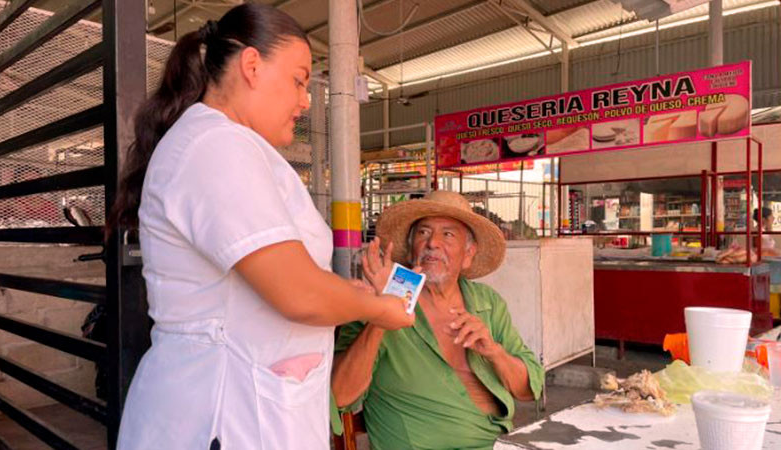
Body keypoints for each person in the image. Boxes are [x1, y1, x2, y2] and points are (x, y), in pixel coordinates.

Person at [108, 4, 413, 449]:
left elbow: (291, 279)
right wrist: (379, 308)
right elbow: (298, 292)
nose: (306, 100)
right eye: (298, 80)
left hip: (243, 409)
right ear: (252, 65)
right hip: (220, 418)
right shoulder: (217, 146)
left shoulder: (229, 145)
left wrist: (355, 296)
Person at [332, 191, 545, 450]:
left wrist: (494, 352)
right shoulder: (376, 302)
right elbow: (340, 395)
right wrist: (382, 313)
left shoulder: (487, 303)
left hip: (499, 444)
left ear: (468, 254)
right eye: (423, 232)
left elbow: (527, 390)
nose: (432, 242)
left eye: (448, 234)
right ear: (411, 249)